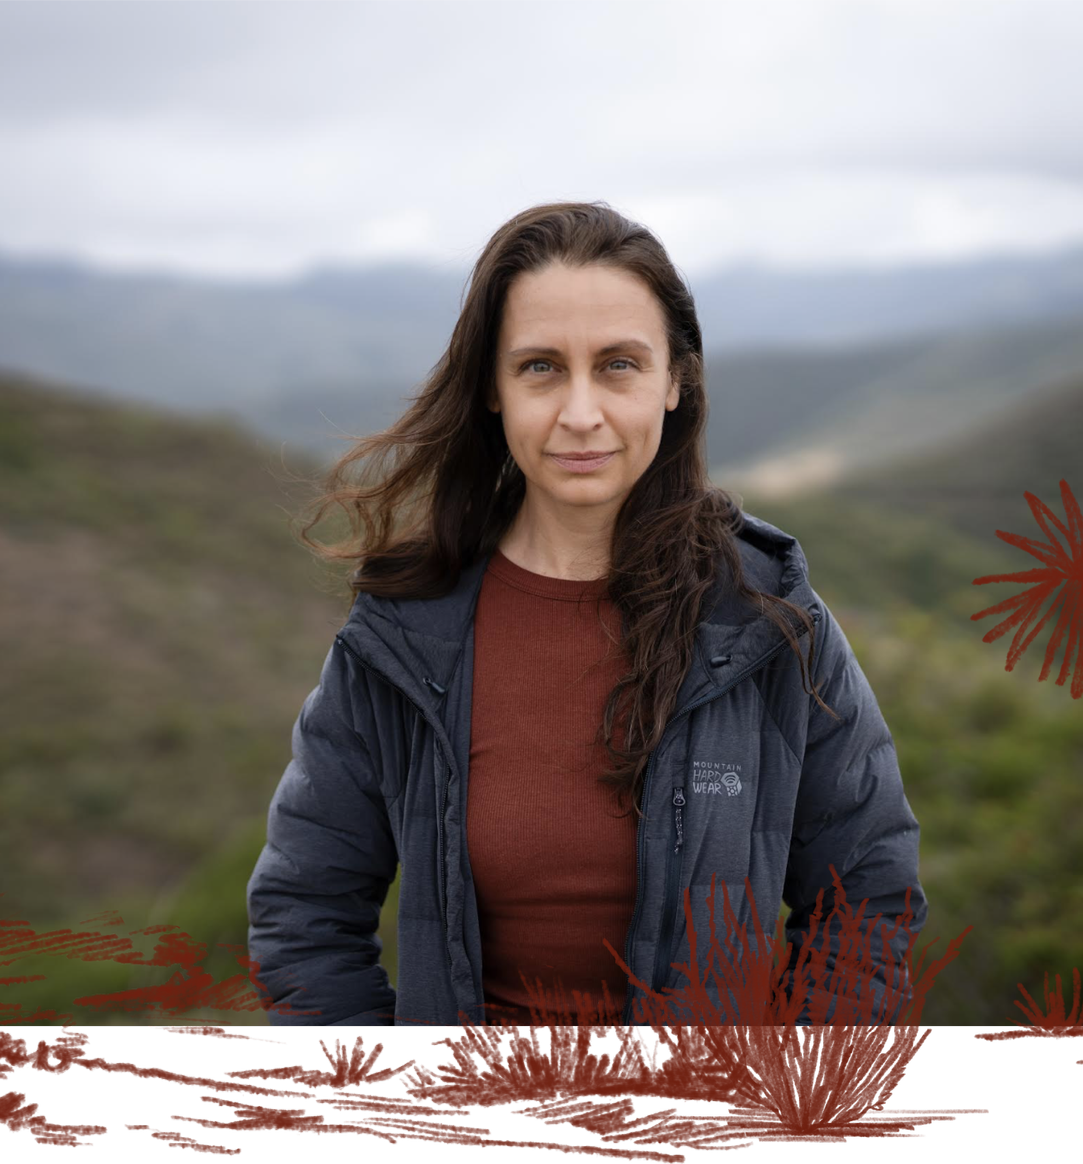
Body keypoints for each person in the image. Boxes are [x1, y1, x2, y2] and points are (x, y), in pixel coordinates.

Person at [246, 201, 923, 1027]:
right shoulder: (402, 639)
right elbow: (305, 910)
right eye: (539, 367)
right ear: (493, 389)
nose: (579, 413)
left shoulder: (771, 626)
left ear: (676, 380)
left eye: (618, 365)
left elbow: (867, 903)